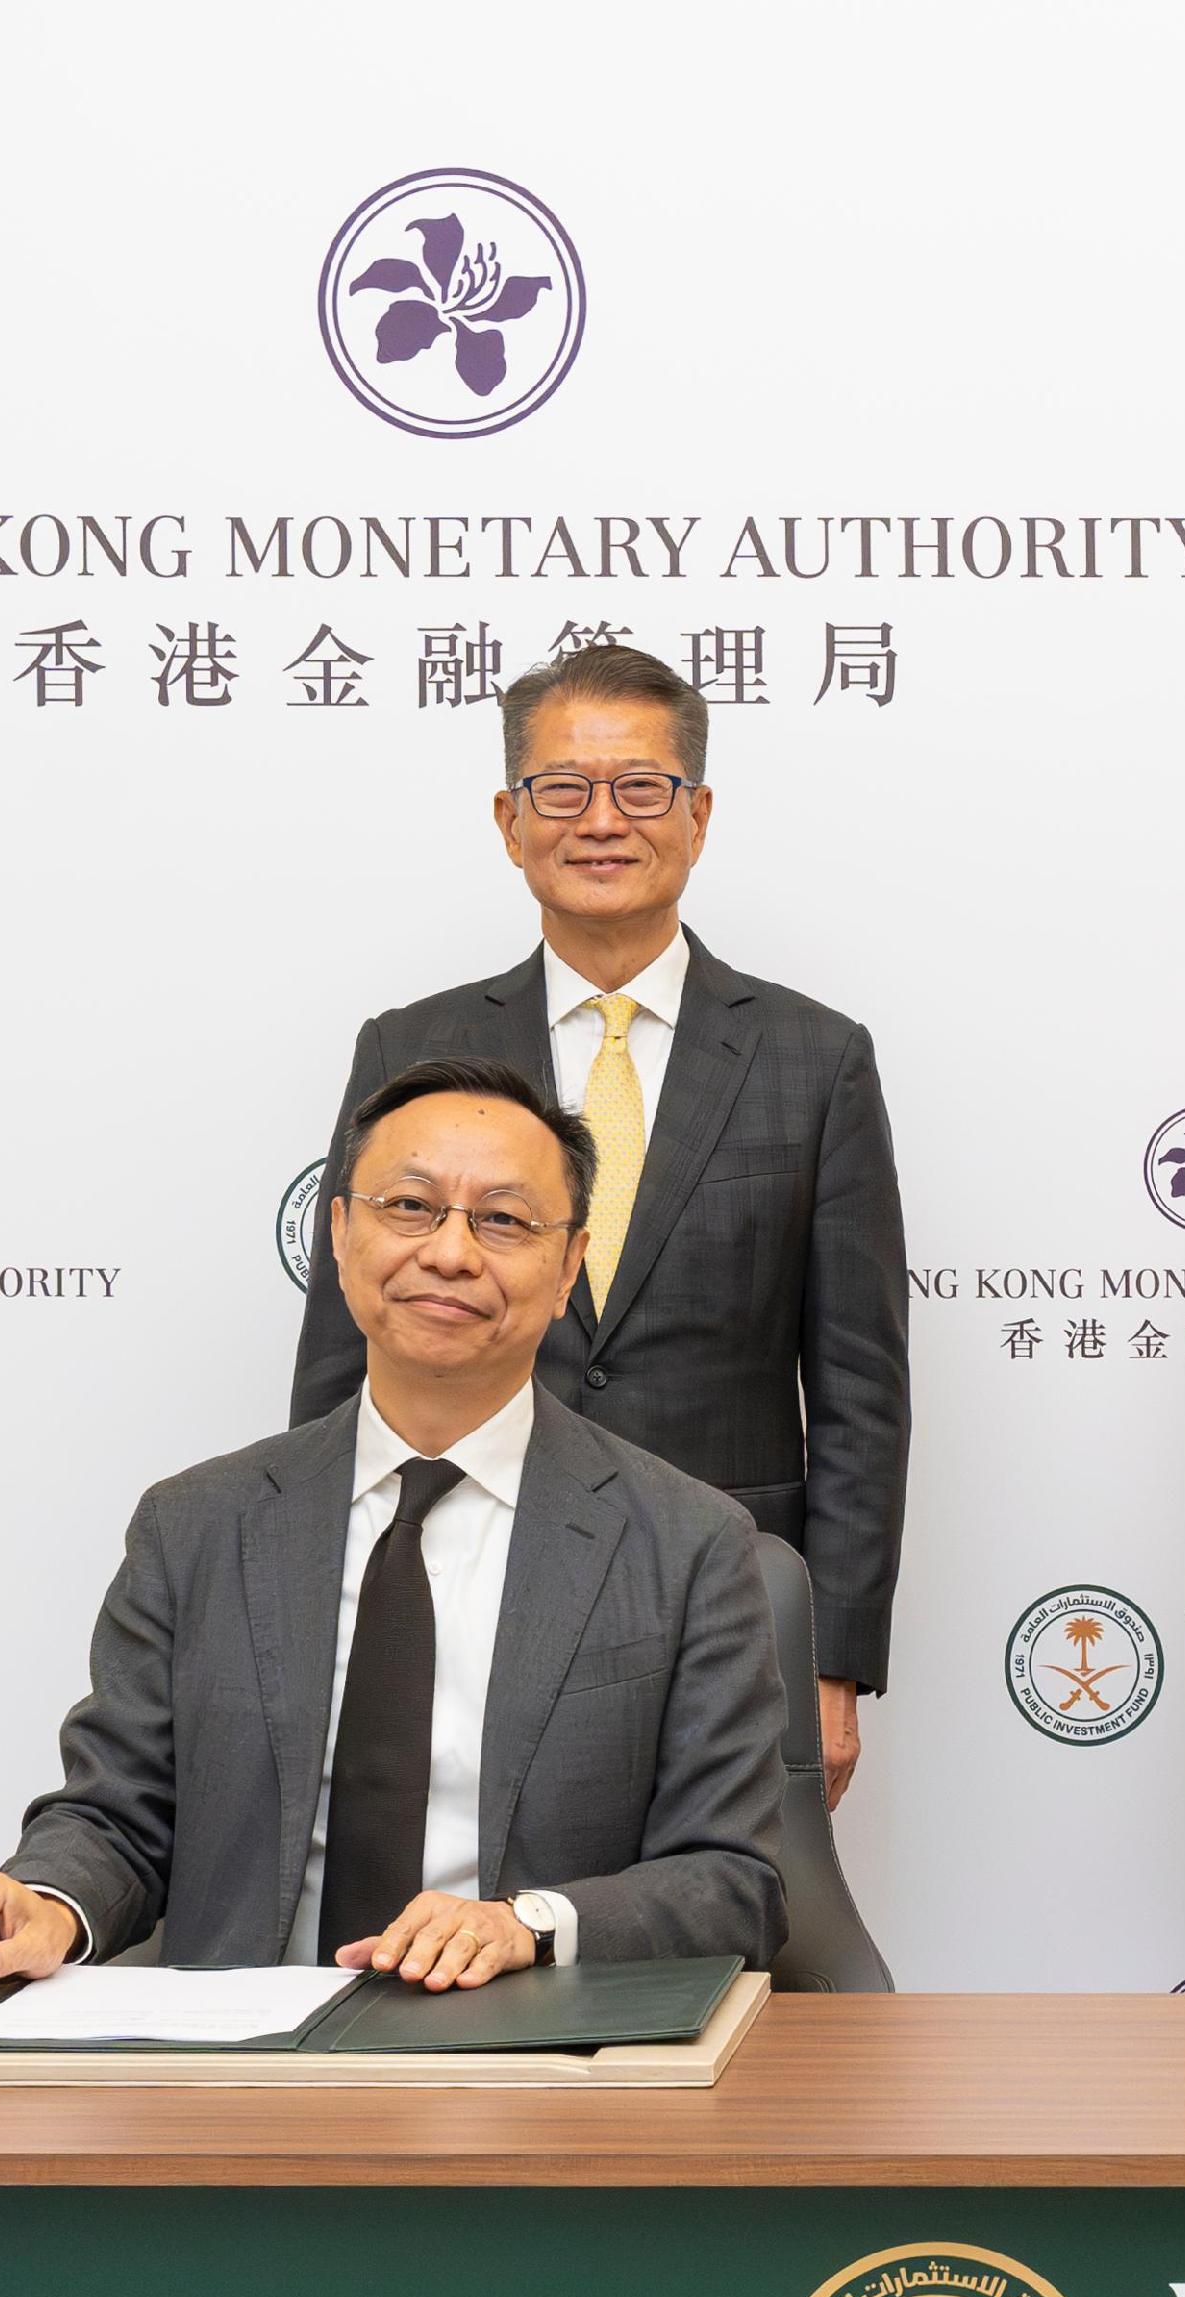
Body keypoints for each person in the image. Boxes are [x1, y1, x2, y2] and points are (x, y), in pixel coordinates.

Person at [0, 1057, 787, 2002]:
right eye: (410, 1206)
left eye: (503, 1220)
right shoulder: (197, 1526)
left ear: (568, 1265)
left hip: (529, 2069)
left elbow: (731, 1881)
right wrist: (49, 1901)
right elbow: (119, 1818)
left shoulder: (688, 1544)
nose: (451, 1253)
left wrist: (525, 1926)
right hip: (238, 2076)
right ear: (338, 1233)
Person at [290, 641, 906, 1801]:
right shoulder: (410, 1049)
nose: (601, 821)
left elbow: (861, 1389)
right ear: (509, 819)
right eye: (562, 790)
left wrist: (833, 1659)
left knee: (710, 1926)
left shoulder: (814, 1060)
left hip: (726, 1589)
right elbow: (342, 1352)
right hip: (455, 1566)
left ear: (699, 814)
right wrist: (330, 1595)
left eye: (641, 788)